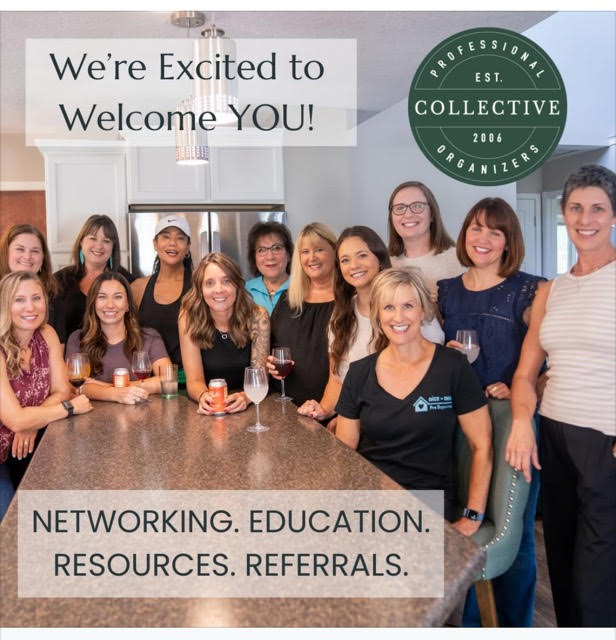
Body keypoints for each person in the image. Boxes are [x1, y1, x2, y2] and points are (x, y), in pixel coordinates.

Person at [508, 164, 616, 627]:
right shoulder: (551, 290)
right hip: (553, 435)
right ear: (563, 212)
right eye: (575, 208)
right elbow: (524, 375)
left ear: (613, 215)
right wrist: (520, 422)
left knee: (598, 578)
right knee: (564, 565)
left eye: (598, 209)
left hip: (606, 439)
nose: (585, 219)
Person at [438, 197, 546, 627]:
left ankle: (516, 625)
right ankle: (467, 623)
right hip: (460, 428)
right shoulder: (445, 291)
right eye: (476, 228)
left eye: (495, 231)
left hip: (513, 427)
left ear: (508, 241)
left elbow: (549, 365)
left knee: (514, 536)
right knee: (463, 522)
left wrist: (518, 388)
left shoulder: (532, 290)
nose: (483, 238)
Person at [335, 268, 492, 530]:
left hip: (427, 499)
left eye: (408, 305)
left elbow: (482, 445)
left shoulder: (453, 366)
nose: (398, 317)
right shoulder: (359, 372)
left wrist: (473, 516)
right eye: (388, 307)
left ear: (423, 310)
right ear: (378, 314)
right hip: (370, 495)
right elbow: (345, 454)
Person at [297, 225, 444, 427]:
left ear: (379, 256)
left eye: (362, 255)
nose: (354, 265)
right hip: (356, 427)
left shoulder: (409, 311)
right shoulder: (341, 314)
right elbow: (337, 381)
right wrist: (322, 411)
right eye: (345, 260)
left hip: (404, 427)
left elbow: (429, 381)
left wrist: (354, 419)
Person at [0, 272, 91, 521]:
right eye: (19, 300)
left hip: (23, 448)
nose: (30, 307)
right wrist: (70, 408)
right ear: (5, 305)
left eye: (36, 298)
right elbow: (16, 420)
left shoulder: (46, 334)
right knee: (10, 522)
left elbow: (62, 390)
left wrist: (32, 422)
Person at [179, 253, 270, 415]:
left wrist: (246, 397)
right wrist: (203, 396)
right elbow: (194, 381)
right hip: (213, 407)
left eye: (226, 281)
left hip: (249, 407)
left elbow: (260, 377)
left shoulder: (258, 317)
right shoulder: (188, 318)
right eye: (209, 283)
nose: (219, 290)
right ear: (200, 289)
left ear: (237, 285)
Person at [65, 272, 171, 404]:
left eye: (118, 297)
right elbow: (72, 386)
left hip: (140, 413)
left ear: (127, 305)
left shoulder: (149, 337)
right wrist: (115, 394)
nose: (110, 305)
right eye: (102, 297)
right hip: (92, 414)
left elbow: (168, 380)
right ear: (93, 303)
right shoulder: (78, 339)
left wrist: (108, 387)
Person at [268, 222, 337, 408]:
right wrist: (271, 365)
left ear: (335, 252)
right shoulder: (287, 300)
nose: (312, 258)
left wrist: (337, 413)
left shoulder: (348, 301)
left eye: (319, 250)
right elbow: (272, 347)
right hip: (288, 408)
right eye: (305, 252)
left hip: (333, 410)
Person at [51, 214, 134, 345]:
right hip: (68, 355)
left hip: (116, 354)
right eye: (93, 238)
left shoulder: (128, 281)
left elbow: (134, 325)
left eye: (106, 241)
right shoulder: (58, 281)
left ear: (113, 247)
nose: (99, 246)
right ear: (81, 242)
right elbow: (51, 327)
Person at [131, 215, 193, 371]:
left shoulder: (200, 285)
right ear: (155, 244)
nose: (172, 243)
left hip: (192, 378)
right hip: (148, 378)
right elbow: (127, 335)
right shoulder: (138, 288)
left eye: (180, 238)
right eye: (165, 236)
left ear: (188, 246)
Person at [388, 180, 465, 298]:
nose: (408, 215)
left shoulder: (460, 260)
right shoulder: (384, 264)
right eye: (400, 208)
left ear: (432, 214)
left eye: (417, 206)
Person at [245, 221, 293, 315]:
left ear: (288, 254)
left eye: (276, 248)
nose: (270, 257)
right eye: (261, 250)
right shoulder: (244, 290)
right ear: (254, 257)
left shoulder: (303, 288)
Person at [0, 224, 57, 299]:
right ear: (5, 252)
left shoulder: (55, 294)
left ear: (43, 256)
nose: (27, 257)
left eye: (35, 251)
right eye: (20, 249)